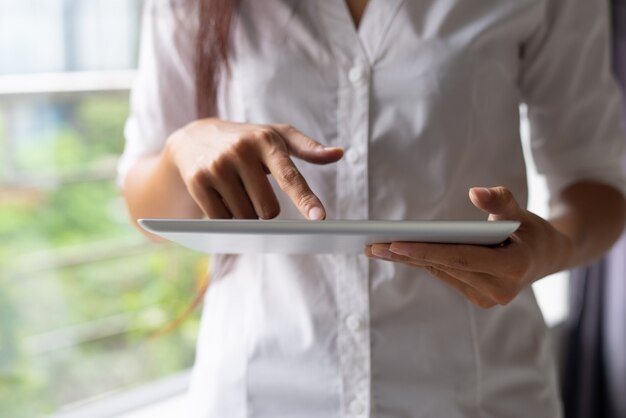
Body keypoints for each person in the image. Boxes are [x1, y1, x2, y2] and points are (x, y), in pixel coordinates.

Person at [118, 0, 626, 416]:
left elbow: (596, 181)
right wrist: (185, 146)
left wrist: (546, 253)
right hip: (259, 390)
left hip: (477, 390)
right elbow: (144, 205)